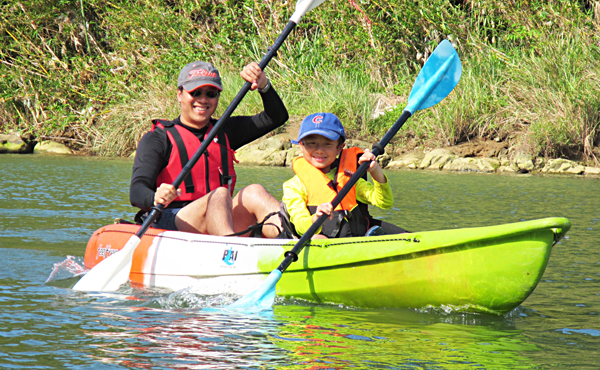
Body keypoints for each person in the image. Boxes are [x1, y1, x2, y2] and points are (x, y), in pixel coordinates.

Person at [130, 60, 290, 238]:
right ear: (179, 95)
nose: (203, 99)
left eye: (211, 93)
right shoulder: (158, 139)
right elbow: (137, 190)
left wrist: (264, 85)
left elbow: (276, 117)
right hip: (173, 220)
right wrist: (154, 197)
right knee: (220, 194)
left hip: (220, 217)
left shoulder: (226, 131)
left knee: (255, 192)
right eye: (195, 92)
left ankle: (293, 244)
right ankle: (230, 250)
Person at [282, 112, 406, 239]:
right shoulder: (293, 186)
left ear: (339, 148)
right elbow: (300, 225)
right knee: (318, 239)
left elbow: (384, 202)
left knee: (406, 237)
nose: (319, 150)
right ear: (301, 146)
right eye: (312, 143)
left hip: (358, 238)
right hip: (326, 243)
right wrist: (315, 218)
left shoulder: (349, 177)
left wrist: (375, 171)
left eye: (327, 144)